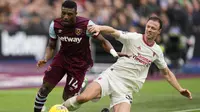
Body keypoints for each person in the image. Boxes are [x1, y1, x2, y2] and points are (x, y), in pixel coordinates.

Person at [62, 16, 192, 112]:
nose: (149, 30)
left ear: (159, 32)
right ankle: (61, 108)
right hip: (112, 76)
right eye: (148, 27)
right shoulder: (133, 38)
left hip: (126, 89)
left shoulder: (157, 51)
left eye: (153, 28)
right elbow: (113, 31)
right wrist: (99, 27)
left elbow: (167, 73)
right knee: (83, 98)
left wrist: (180, 89)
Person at [34, 1, 120, 112]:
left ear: (76, 13)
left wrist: (113, 52)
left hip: (79, 63)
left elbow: (103, 41)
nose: (65, 17)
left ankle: (82, 86)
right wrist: (46, 58)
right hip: (62, 58)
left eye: (69, 14)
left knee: (68, 99)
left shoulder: (87, 25)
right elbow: (51, 45)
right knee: (45, 88)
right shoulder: (55, 25)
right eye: (63, 13)